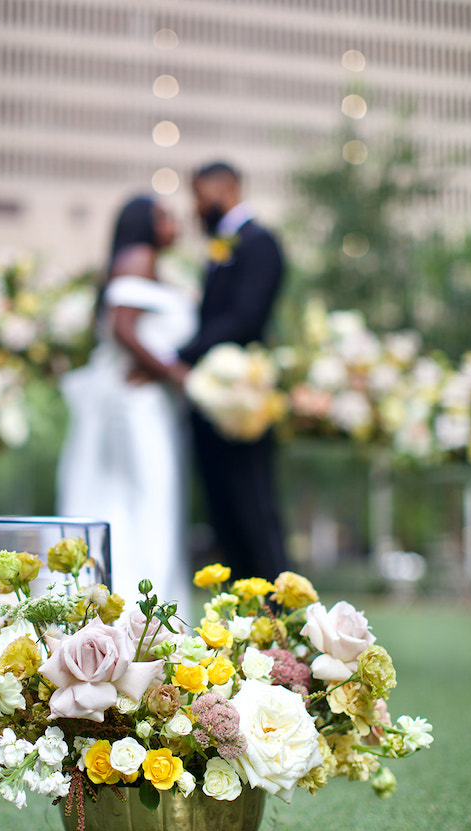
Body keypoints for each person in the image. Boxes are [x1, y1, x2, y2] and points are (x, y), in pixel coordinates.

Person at [56, 195, 196, 614]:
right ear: (144, 225)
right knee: (153, 505)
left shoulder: (148, 264)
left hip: (148, 405)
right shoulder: (137, 258)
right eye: (164, 217)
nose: (174, 224)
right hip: (137, 408)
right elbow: (123, 328)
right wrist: (174, 372)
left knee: (139, 505)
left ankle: (133, 609)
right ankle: (145, 613)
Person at [167, 161, 287, 581]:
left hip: (242, 401)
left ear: (226, 189)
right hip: (210, 401)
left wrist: (181, 352)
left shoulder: (259, 243)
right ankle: (243, 625)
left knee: (253, 512)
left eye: (200, 196)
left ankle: (280, 620)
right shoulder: (220, 247)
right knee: (225, 518)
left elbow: (244, 318)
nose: (196, 207)